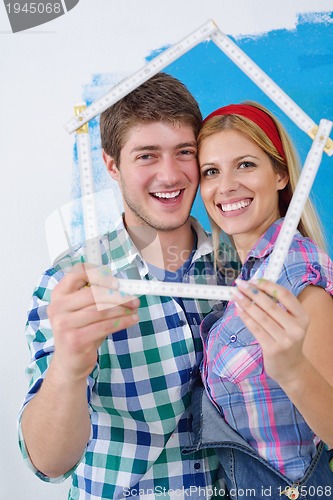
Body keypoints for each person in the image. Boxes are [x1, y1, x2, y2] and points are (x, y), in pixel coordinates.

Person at [18, 73, 235, 499]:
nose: (169, 175)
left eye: (184, 152)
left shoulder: (241, 265)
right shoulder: (72, 283)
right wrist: (69, 366)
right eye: (147, 156)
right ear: (112, 166)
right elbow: (48, 463)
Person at [183, 102, 333, 499]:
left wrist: (294, 370)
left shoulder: (299, 275)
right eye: (211, 171)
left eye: (245, 165)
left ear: (281, 174)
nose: (226, 185)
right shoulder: (247, 272)